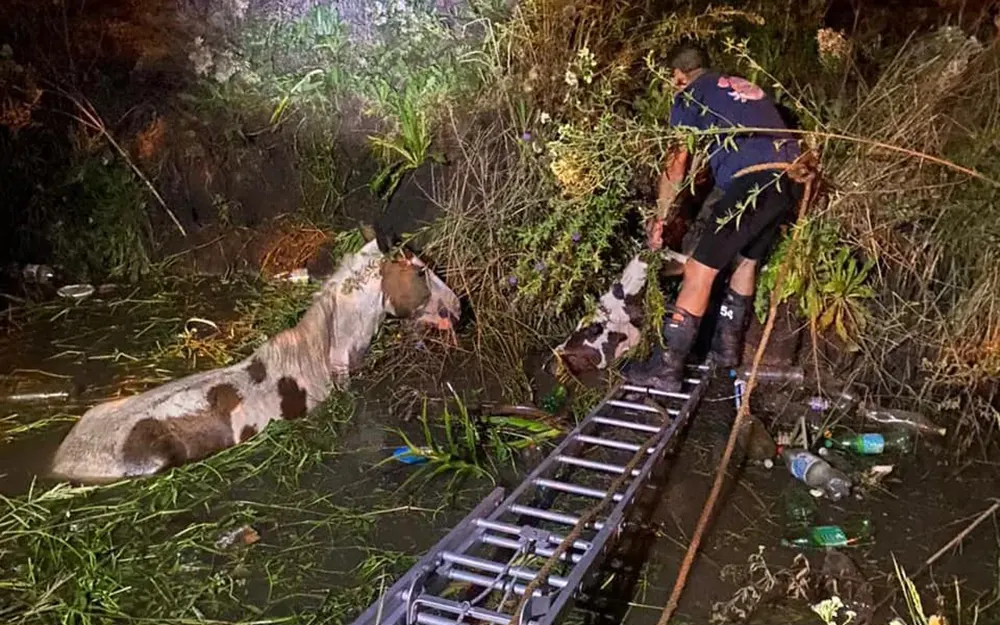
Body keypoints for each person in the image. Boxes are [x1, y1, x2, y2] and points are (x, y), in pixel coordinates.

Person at [630, 43, 805, 392]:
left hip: (752, 181)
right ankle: (725, 352)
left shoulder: (689, 96)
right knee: (745, 262)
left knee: (698, 270)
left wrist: (661, 216)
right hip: (788, 181)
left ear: (678, 77)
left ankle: (666, 370)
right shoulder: (739, 86)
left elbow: (678, 162)